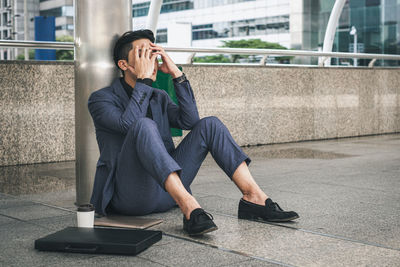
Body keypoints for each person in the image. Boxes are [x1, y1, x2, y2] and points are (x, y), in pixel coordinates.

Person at [88, 29, 299, 236]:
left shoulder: (158, 96)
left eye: (153, 51)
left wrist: (176, 75)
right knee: (144, 125)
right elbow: (129, 124)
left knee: (211, 124)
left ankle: (254, 198)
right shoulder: (101, 99)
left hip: (167, 193)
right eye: (143, 52)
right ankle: (191, 209)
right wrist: (144, 81)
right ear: (123, 64)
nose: (151, 57)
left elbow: (190, 121)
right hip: (130, 197)